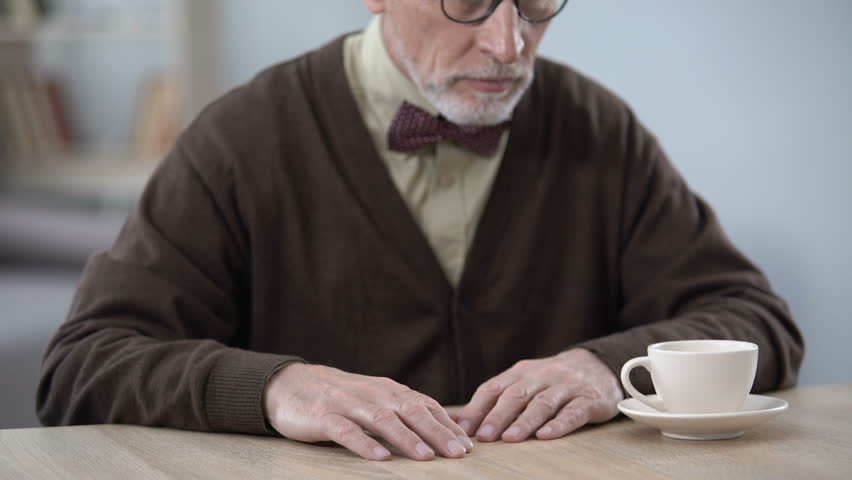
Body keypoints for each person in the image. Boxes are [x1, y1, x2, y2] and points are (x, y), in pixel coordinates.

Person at [37, 0, 804, 462]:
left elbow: (755, 319)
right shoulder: (242, 138)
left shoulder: (598, 131)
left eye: (534, 2)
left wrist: (605, 369)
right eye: (467, 1)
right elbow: (82, 367)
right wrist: (273, 387)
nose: (509, 44)